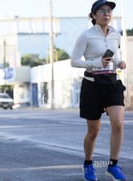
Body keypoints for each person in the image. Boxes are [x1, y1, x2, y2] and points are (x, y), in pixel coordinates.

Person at [71, 0, 127, 181]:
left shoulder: (116, 35)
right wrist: (96, 63)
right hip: (92, 84)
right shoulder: (86, 36)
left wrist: (119, 62)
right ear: (94, 15)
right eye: (102, 11)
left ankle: (113, 165)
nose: (106, 14)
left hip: (111, 82)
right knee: (93, 131)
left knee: (118, 123)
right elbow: (74, 61)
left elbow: (115, 55)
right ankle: (88, 164)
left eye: (109, 11)